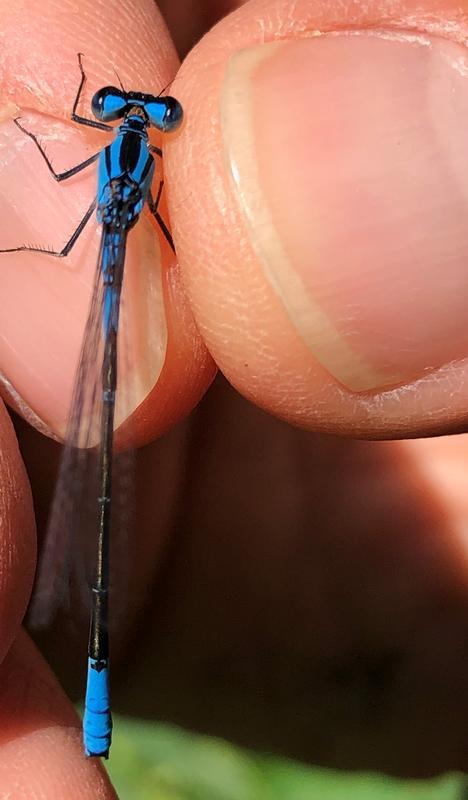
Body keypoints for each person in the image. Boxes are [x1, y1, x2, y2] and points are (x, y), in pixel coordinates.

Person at [1, 0, 468, 793]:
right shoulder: (139, 169)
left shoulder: (126, 163)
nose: (131, 118)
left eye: (134, 113)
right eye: (122, 110)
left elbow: (61, 186)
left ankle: (89, 649)